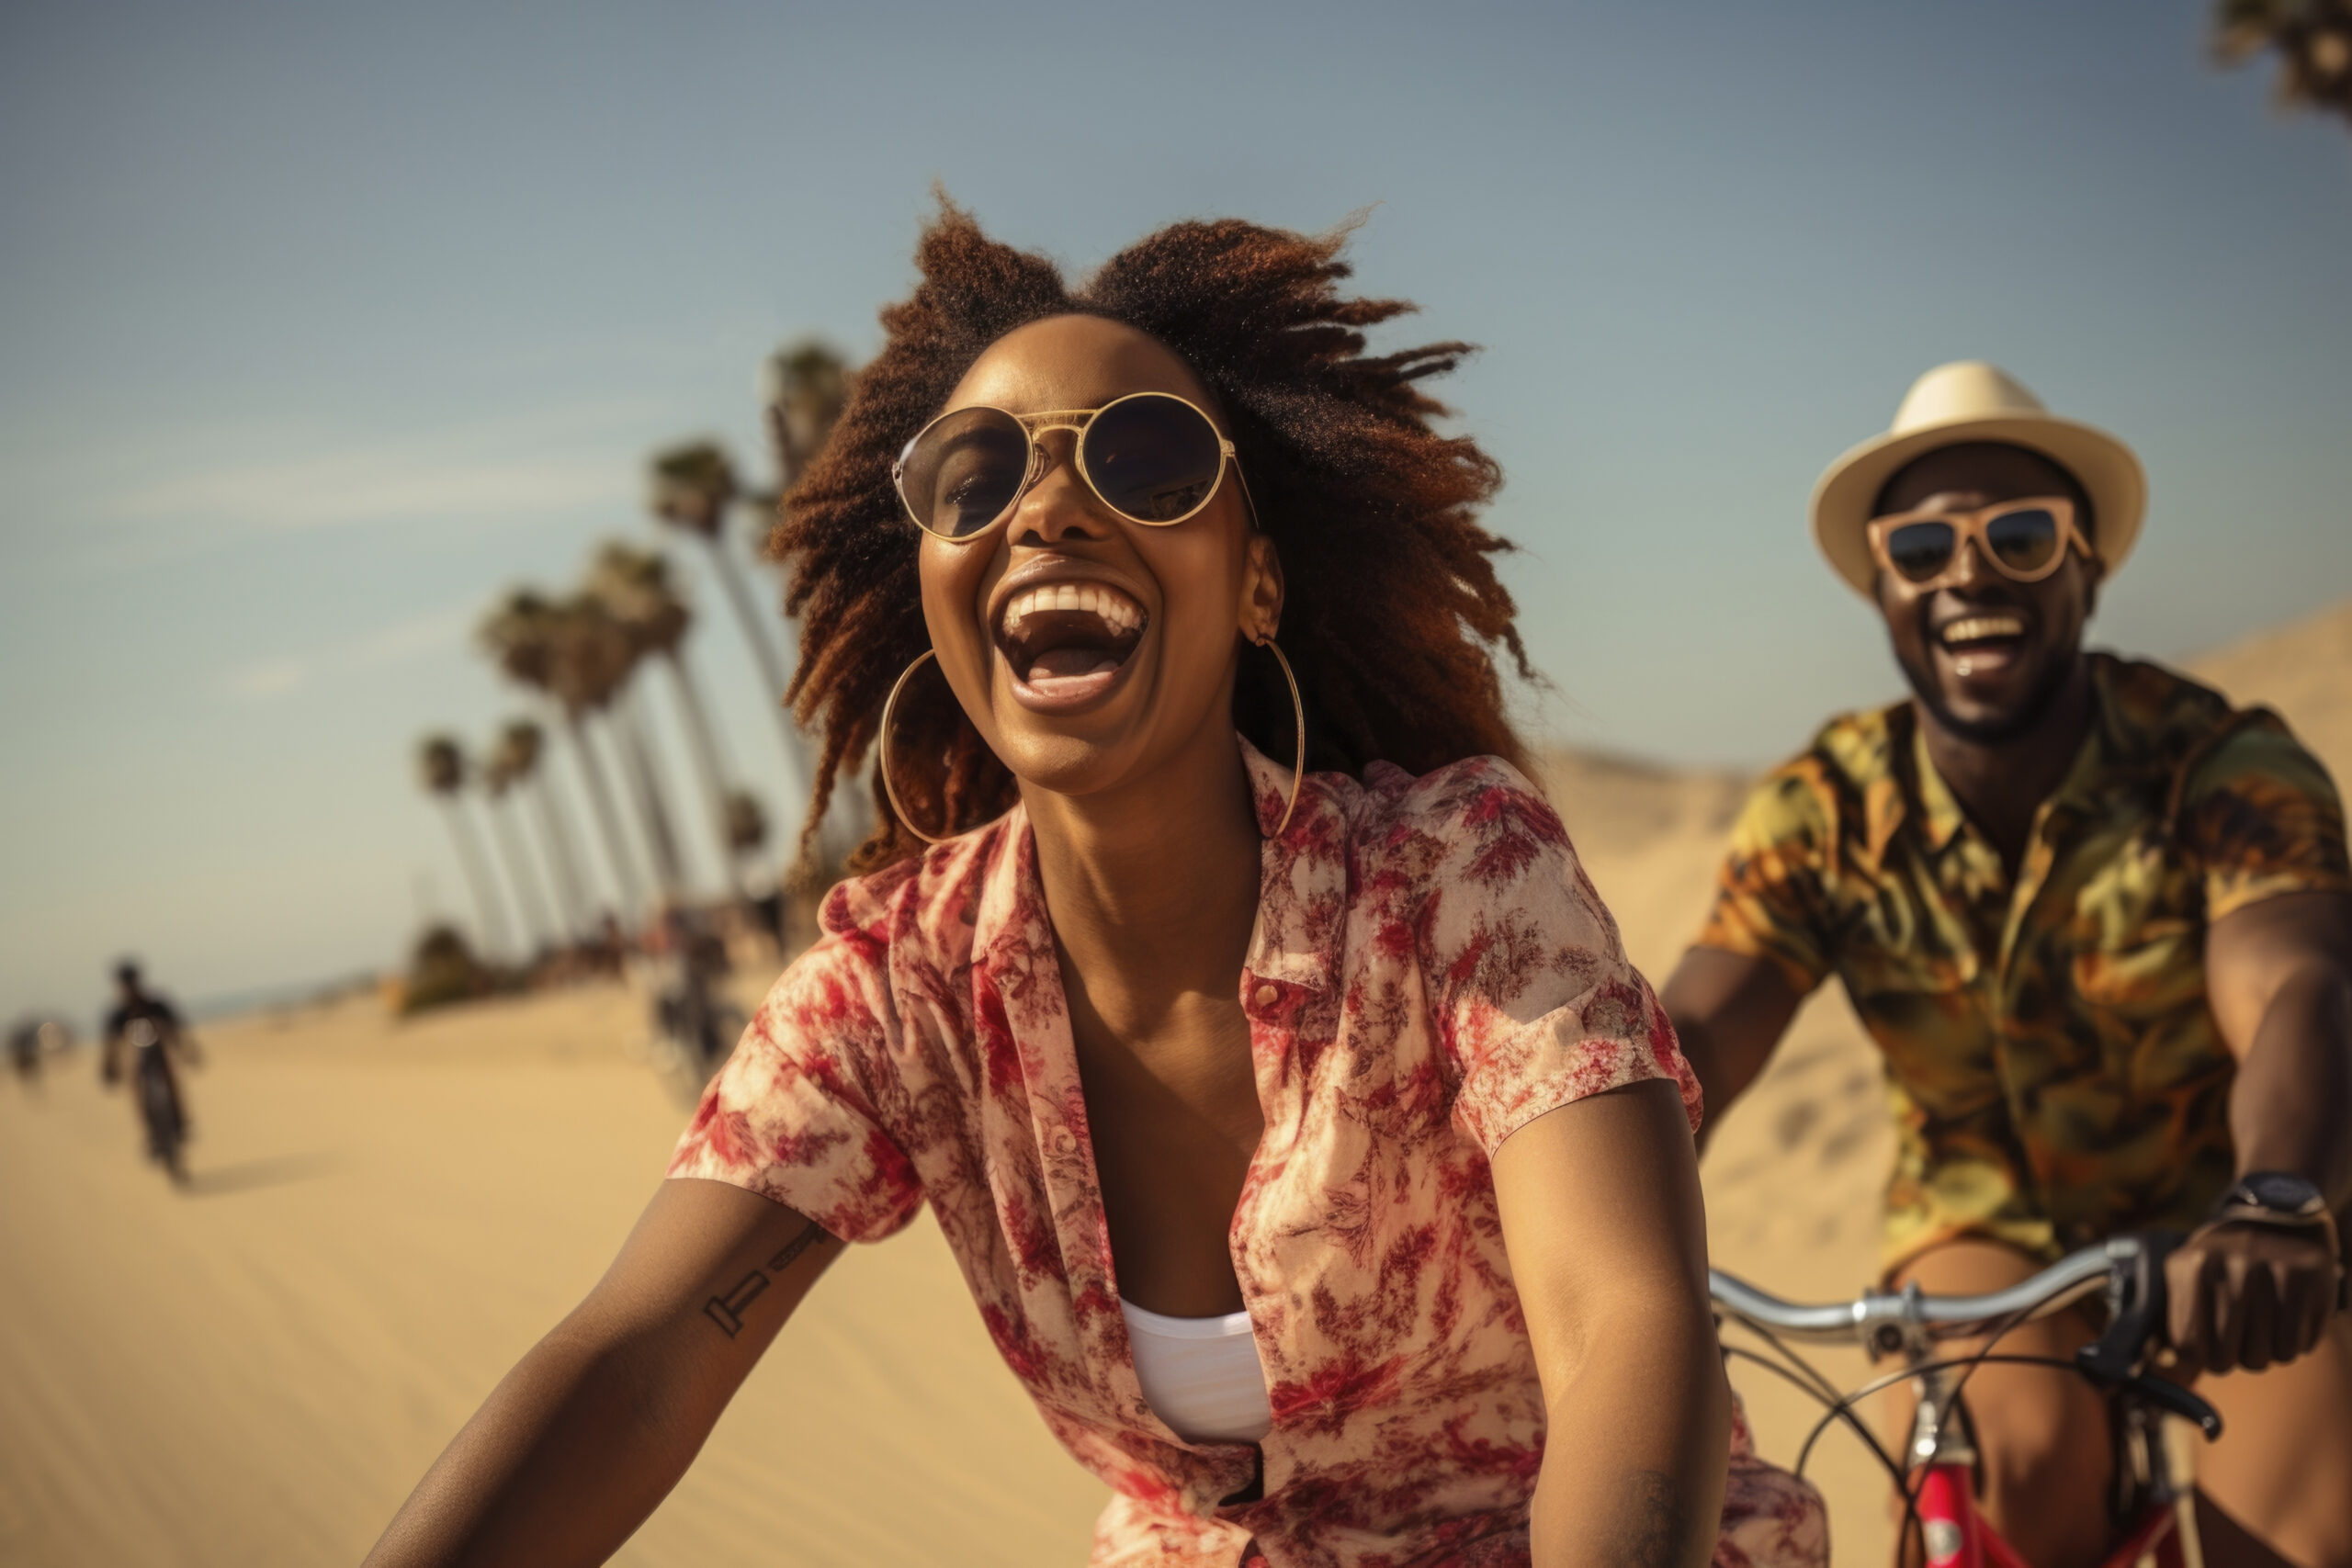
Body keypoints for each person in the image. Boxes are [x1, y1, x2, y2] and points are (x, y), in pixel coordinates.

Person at [366, 206, 1824, 1568]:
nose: (1046, 509)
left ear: (1255, 584)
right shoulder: (897, 992)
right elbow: (639, 1360)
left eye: (1141, 460)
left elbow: (1621, 1319)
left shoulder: (1458, 880)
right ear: (934, 582)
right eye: (977, 474)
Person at [1661, 362, 2352, 1567]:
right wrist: (1587, 1196)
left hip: (2233, 1237)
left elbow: (2298, 980)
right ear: (1882, 586)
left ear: (2087, 566)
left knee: (2291, 1538)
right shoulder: (1825, 806)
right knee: (2005, 1470)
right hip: (1984, 1238)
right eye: (1921, 548)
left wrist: (2281, 1199)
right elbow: (1704, 1030)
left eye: (2021, 537)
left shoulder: (2219, 763)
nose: (1969, 572)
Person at [101, 960, 201, 1181]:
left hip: (159, 1059)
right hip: (138, 1066)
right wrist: (108, 1068)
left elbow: (177, 1030)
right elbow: (111, 1046)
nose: (130, 987)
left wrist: (189, 1051)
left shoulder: (156, 1004)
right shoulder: (118, 1013)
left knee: (172, 1081)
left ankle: (181, 1122)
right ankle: (151, 1134)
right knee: (136, 1088)